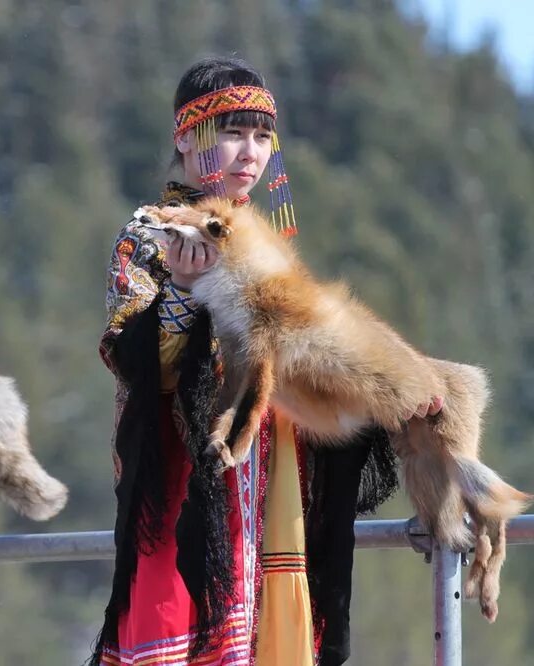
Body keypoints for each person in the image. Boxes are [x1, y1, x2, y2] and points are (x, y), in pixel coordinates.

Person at [90, 57, 439, 666]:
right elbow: (135, 364)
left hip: (275, 483)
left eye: (260, 136)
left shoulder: (271, 247)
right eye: (230, 132)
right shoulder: (152, 233)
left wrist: (392, 388)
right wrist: (177, 292)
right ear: (184, 138)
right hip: (188, 482)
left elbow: (320, 349)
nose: (249, 151)